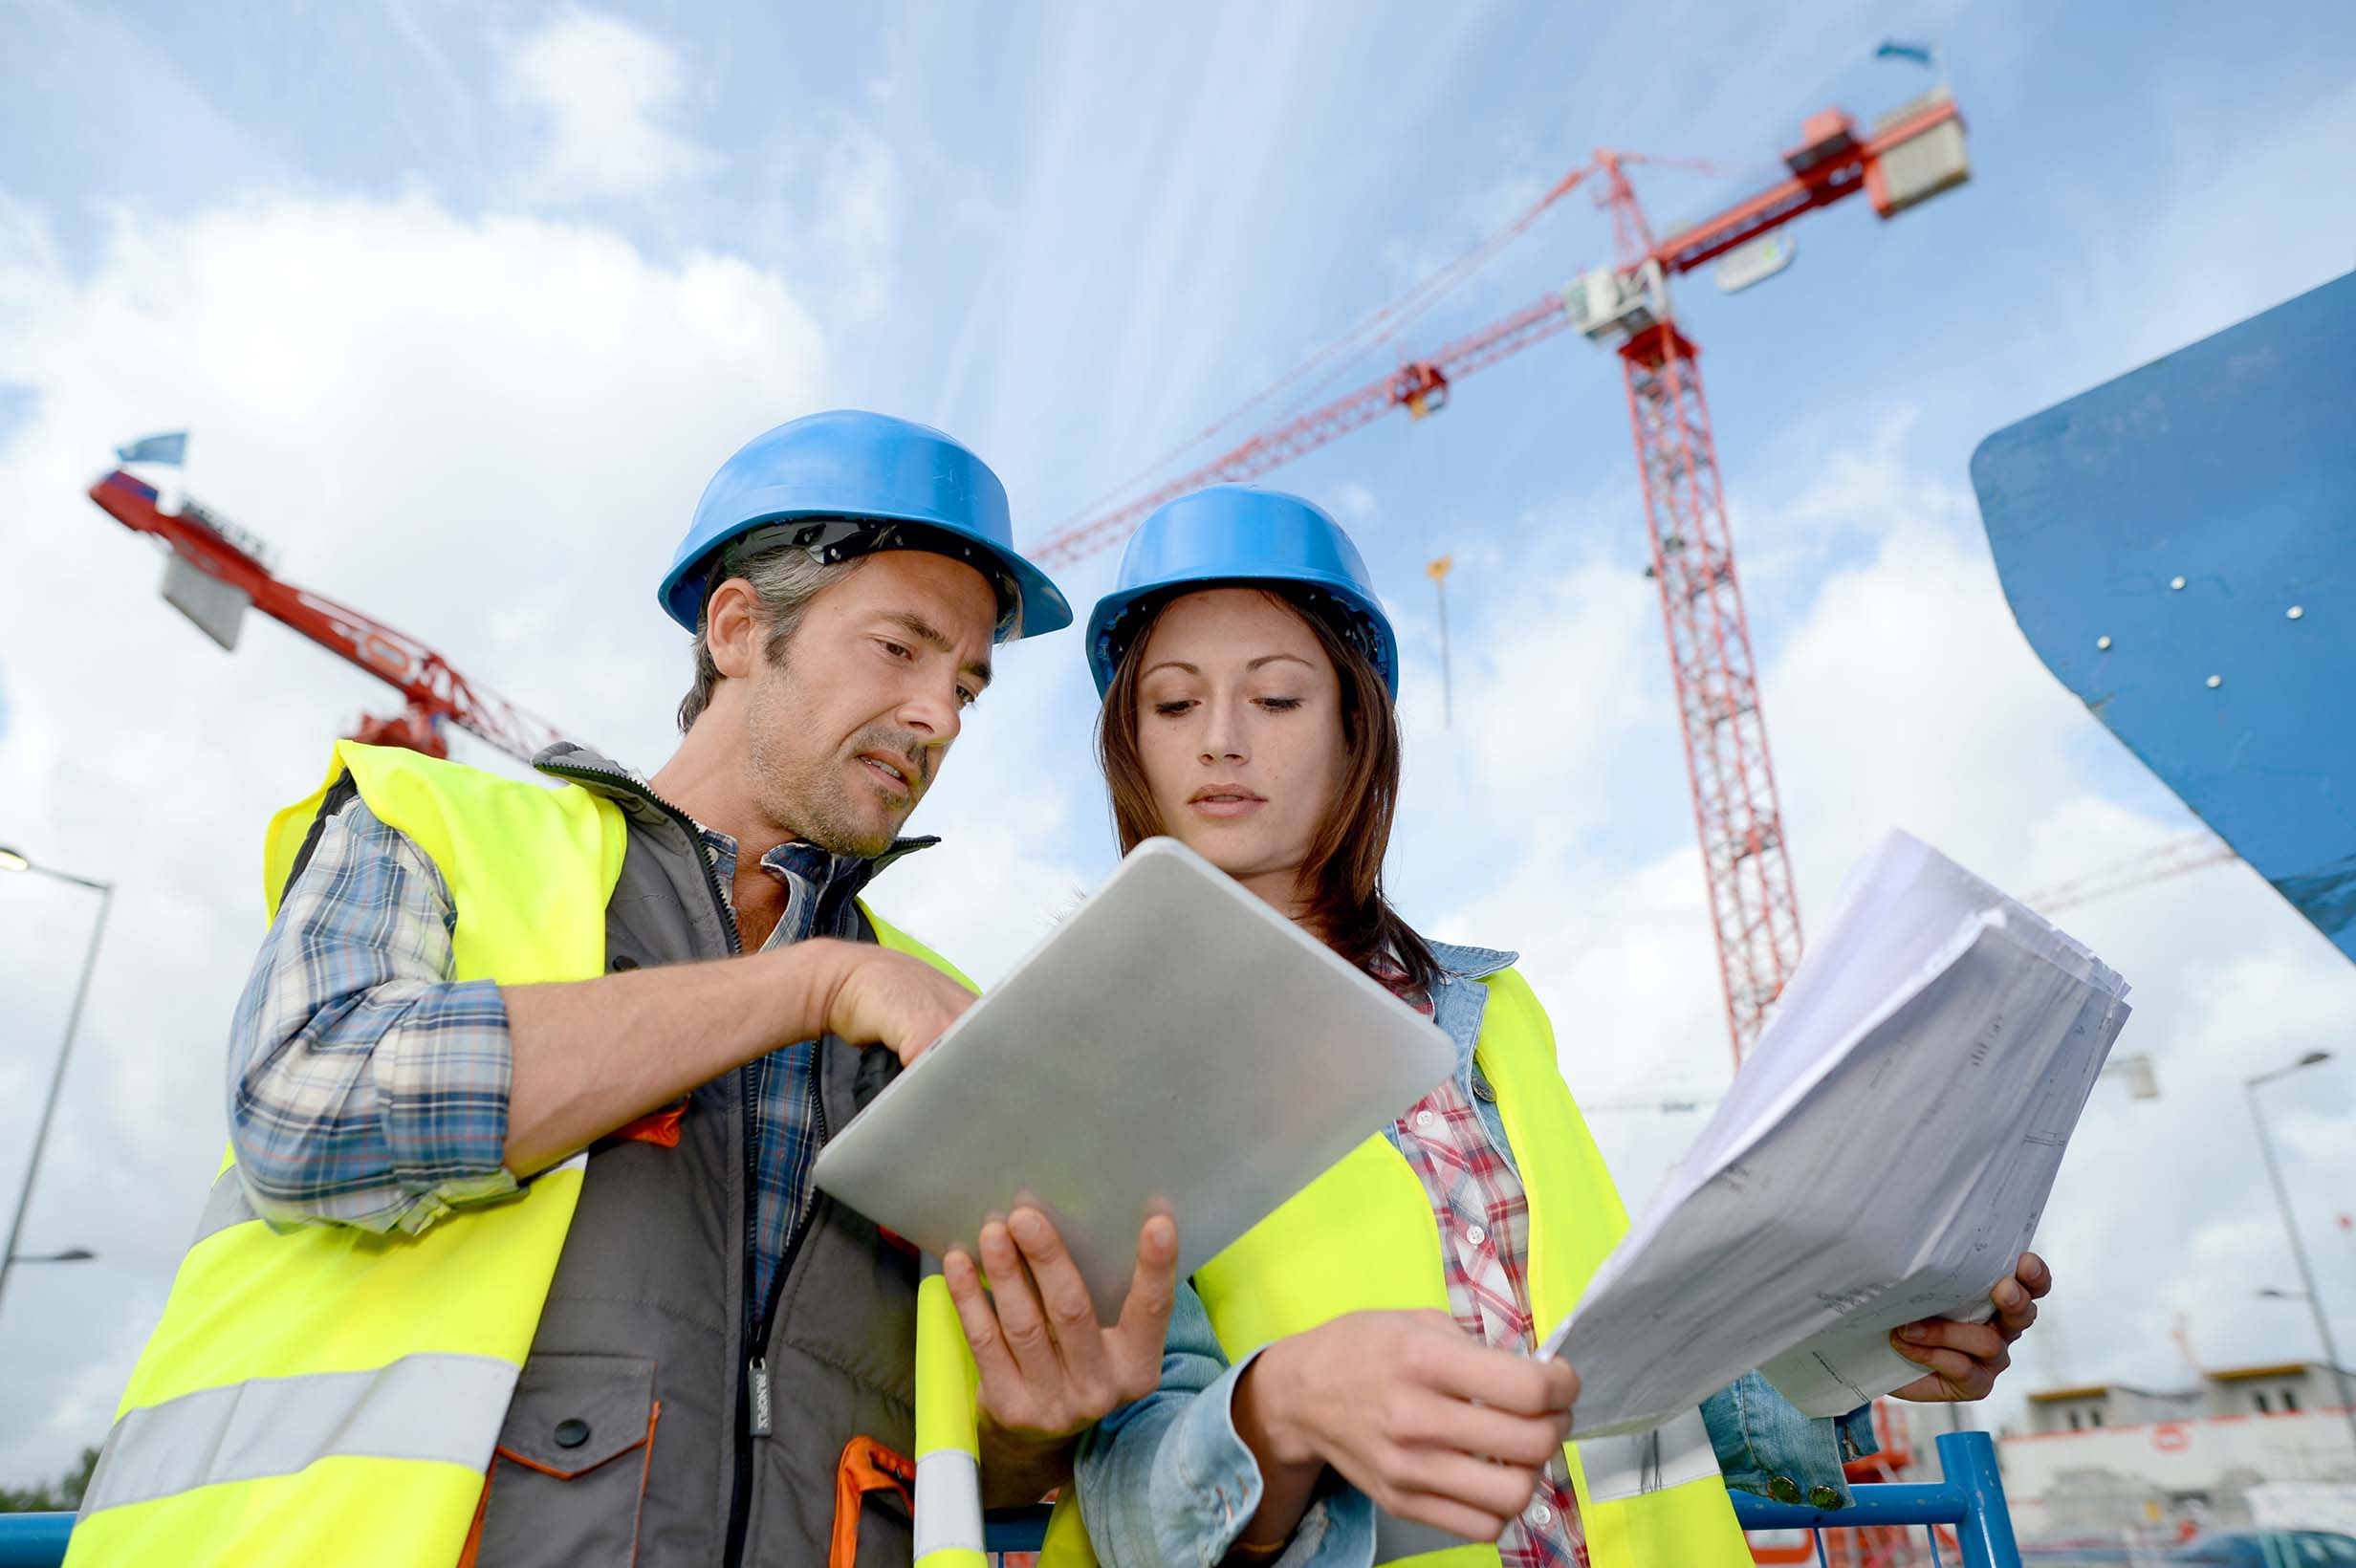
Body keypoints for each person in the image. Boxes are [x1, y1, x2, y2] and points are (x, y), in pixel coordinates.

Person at [66, 411, 1175, 1568]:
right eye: (900, 649)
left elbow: (952, 1432)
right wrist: (810, 984)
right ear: (740, 627)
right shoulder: (439, 823)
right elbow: (305, 1105)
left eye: (968, 686)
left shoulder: (938, 1002)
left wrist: (1037, 1420)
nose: (938, 717)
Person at [1036, 485, 2052, 1568]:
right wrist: (1276, 1409)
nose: (1222, 741)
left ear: (1353, 733)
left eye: (1277, 699)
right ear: (1129, 744)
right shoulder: (1099, 1055)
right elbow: (1129, 1494)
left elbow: (1616, 1380)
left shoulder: (1498, 1016)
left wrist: (1869, 1345)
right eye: (1174, 705)